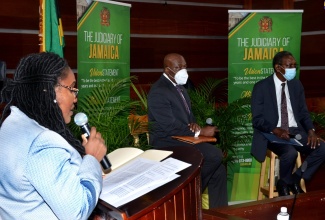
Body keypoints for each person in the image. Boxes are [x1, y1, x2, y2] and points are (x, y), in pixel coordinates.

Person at [0, 52, 107, 219]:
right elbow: (77, 211)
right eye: (72, 89)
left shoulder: (11, 123)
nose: (75, 99)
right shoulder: (43, 142)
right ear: (48, 91)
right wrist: (92, 158)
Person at [147, 53, 228, 208]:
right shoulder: (159, 91)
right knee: (214, 155)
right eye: (178, 67)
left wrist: (194, 125)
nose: (183, 70)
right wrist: (199, 132)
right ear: (168, 70)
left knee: (219, 171)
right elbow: (168, 126)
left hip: (183, 138)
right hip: (167, 143)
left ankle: (219, 214)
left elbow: (188, 118)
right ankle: (187, 195)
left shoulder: (180, 88)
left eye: (184, 66)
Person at [251, 51, 325, 196]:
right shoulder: (261, 87)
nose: (293, 69)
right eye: (289, 65)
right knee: (290, 153)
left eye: (294, 66)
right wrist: (275, 129)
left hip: (295, 131)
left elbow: (303, 112)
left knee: (322, 149)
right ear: (278, 68)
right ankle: (285, 183)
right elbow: (257, 119)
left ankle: (292, 179)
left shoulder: (296, 85)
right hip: (272, 134)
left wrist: (310, 130)